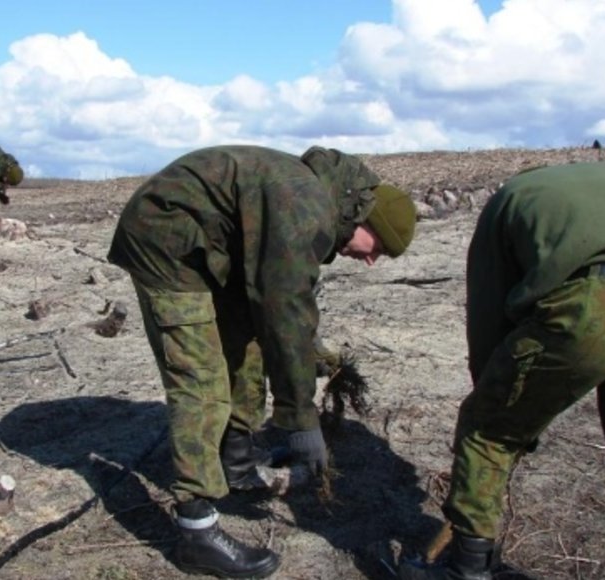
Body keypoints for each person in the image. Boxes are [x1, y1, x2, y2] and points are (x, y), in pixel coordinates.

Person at [107, 144, 417, 578]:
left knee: (245, 345)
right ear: (366, 221)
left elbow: (283, 306)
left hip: (211, 250)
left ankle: (235, 458)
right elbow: (284, 308)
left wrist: (316, 354)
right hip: (168, 245)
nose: (369, 261)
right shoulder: (305, 204)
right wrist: (300, 419)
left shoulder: (315, 201)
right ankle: (197, 530)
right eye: (377, 249)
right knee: (200, 379)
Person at [400, 162, 605, 580]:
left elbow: (488, 312)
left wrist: (503, 408)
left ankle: (466, 568)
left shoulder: (510, 198)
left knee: (486, 430)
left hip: (584, 305)